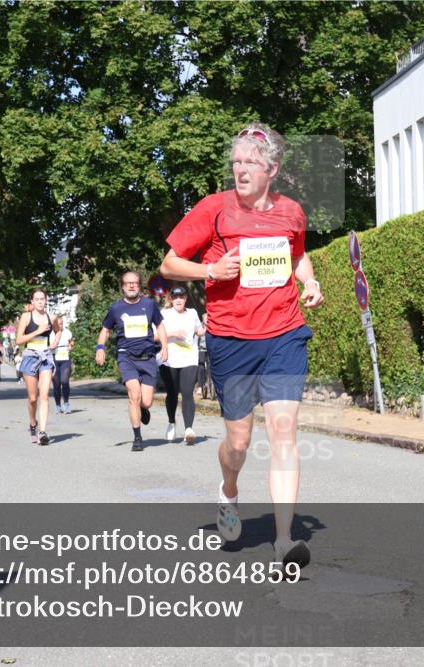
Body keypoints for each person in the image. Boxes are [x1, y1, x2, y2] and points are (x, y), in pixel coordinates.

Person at [159, 122, 323, 570]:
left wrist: (309, 282)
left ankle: (284, 542)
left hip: (285, 333)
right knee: (239, 441)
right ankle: (229, 490)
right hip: (231, 339)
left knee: (284, 430)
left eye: (250, 162)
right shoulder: (213, 209)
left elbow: (297, 255)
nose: (241, 169)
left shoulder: (292, 212)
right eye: (236, 162)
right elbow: (169, 263)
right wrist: (211, 272)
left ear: (273, 169)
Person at [96, 271, 168, 452]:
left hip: (148, 357)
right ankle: (137, 437)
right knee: (133, 394)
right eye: (128, 283)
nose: (131, 286)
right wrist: (100, 348)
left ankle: (142, 409)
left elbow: (160, 326)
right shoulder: (116, 308)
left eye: (134, 283)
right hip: (126, 356)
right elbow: (105, 330)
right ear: (122, 286)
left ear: (139, 285)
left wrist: (165, 347)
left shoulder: (149, 305)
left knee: (147, 402)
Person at [159, 287, 205, 444]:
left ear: (185, 298)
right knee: (172, 393)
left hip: (189, 358)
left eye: (181, 297)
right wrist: (173, 333)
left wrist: (206, 326)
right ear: (171, 299)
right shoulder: (164, 314)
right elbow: (155, 335)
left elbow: (199, 330)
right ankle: (171, 422)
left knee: (187, 392)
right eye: (175, 297)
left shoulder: (192, 313)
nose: (178, 299)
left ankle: (189, 429)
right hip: (169, 359)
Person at [16, 288, 59, 445]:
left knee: (44, 395)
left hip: (46, 357)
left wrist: (56, 341)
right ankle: (33, 424)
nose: (40, 302)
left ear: (46, 301)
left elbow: (58, 330)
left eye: (42, 299)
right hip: (30, 357)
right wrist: (37, 331)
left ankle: (42, 432)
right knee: (33, 398)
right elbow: (19, 340)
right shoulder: (26, 317)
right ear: (32, 302)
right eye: (37, 299)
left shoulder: (51, 317)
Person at [52, 316, 74, 414]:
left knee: (65, 381)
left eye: (61, 323)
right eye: (58, 324)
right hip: (54, 358)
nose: (60, 325)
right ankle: (58, 405)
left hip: (65, 357)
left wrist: (71, 345)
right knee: (56, 383)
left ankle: (66, 403)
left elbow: (71, 341)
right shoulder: (50, 333)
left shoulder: (67, 332)